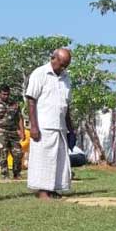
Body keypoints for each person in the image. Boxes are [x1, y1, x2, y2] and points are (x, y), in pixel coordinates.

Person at [25, 48, 74, 200]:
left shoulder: (66, 78)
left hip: (60, 126)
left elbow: (66, 105)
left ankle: (53, 189)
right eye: (62, 64)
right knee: (43, 160)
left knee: (58, 161)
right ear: (53, 59)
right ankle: (42, 191)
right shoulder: (39, 73)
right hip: (43, 126)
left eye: (66, 65)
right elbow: (31, 100)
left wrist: (70, 129)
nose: (63, 68)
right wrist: (34, 126)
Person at [0, 86, 24, 179]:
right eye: (4, 94)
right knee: (2, 153)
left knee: (18, 153)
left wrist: (22, 131)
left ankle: (17, 174)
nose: (6, 96)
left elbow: (19, 118)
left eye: (7, 94)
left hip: (13, 131)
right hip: (0, 132)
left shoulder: (14, 104)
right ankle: (5, 175)